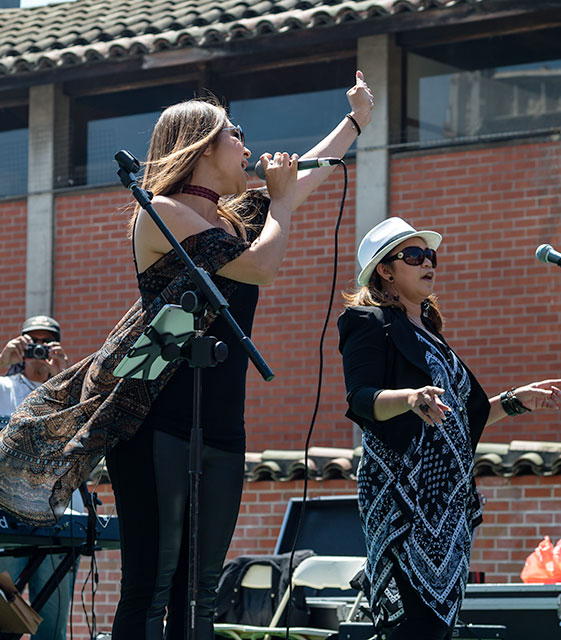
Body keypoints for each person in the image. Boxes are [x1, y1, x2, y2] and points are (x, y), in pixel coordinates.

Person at [0, 71, 374, 640]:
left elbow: (302, 177)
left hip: (220, 421)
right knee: (152, 587)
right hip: (155, 421)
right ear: (199, 147)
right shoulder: (162, 211)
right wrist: (279, 201)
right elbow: (261, 265)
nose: (247, 143)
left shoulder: (233, 218)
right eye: (235, 133)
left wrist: (354, 122)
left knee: (200, 590)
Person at [337, 217, 561, 640]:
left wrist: (516, 400)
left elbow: (461, 418)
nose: (428, 263)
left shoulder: (431, 333)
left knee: (438, 627)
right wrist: (408, 398)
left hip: (447, 505)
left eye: (430, 256)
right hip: (404, 501)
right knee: (414, 627)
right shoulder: (367, 321)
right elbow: (361, 399)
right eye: (414, 255)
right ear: (385, 270)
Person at [0, 315, 78, 640]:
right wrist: (3, 361)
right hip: (8, 518)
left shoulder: (67, 391)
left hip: (57, 517)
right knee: (4, 622)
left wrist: (65, 375)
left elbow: (88, 427)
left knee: (52, 627)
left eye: (47, 342)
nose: (39, 348)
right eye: (33, 341)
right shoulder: (5, 387)